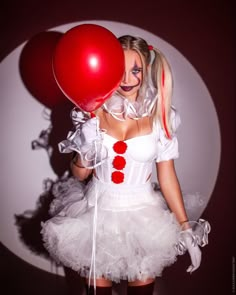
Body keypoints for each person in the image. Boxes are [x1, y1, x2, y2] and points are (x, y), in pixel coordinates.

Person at [41, 35, 210, 295]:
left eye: (136, 70)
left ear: (146, 70)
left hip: (144, 217)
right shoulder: (91, 112)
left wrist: (186, 228)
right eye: (120, 70)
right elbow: (79, 173)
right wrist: (84, 151)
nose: (128, 80)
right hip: (97, 213)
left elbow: (167, 177)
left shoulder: (161, 118)